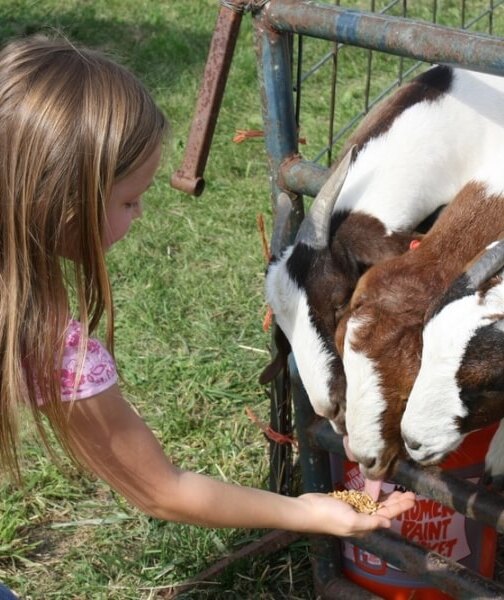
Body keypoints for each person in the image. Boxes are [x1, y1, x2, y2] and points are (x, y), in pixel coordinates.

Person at [0, 34, 415, 595]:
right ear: (63, 200)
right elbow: (161, 488)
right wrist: (312, 512)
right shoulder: (46, 341)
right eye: (128, 200)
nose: (140, 213)